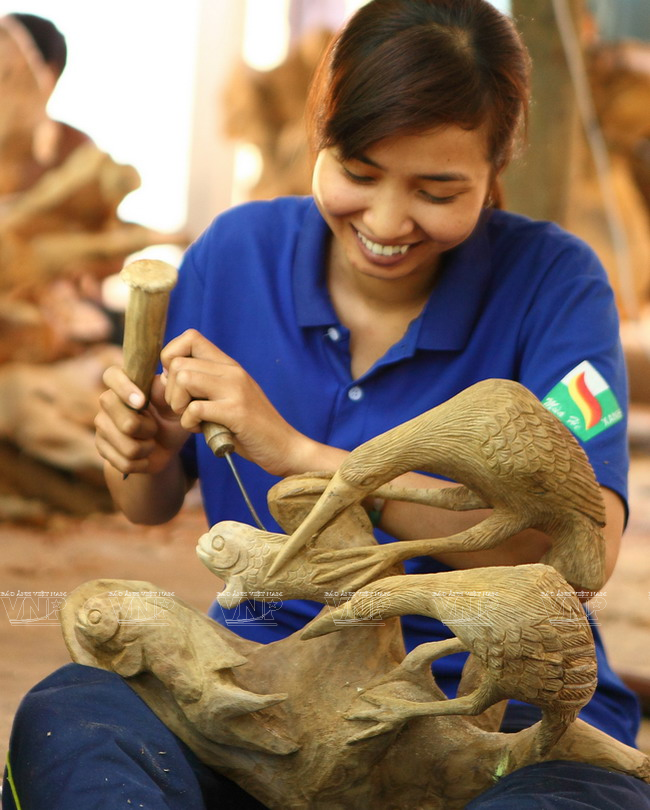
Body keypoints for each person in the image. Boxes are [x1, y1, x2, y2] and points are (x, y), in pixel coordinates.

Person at [4, 0, 650, 807]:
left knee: (577, 795)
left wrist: (302, 454)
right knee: (75, 719)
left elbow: (578, 558)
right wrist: (139, 449)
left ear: (499, 161)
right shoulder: (235, 255)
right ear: (319, 130)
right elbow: (147, 504)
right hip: (260, 686)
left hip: (486, 702)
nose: (385, 220)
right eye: (358, 172)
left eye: (437, 189)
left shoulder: (557, 285)